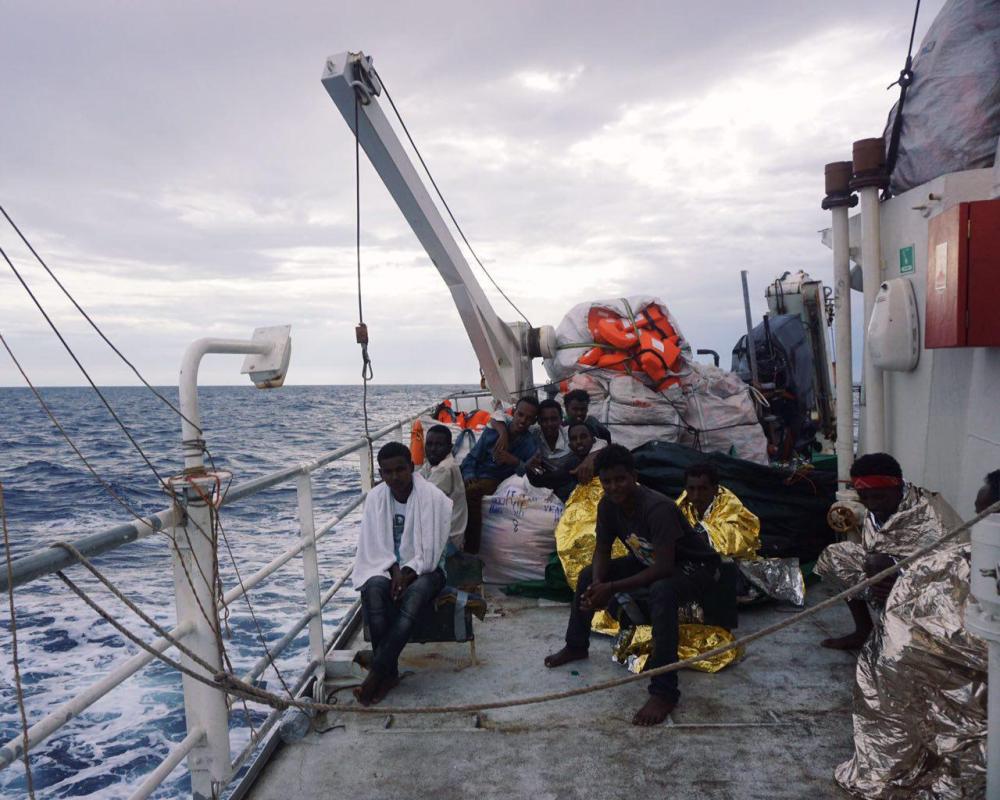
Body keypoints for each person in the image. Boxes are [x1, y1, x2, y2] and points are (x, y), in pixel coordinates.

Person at [832, 469, 994, 797]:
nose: (975, 521)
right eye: (977, 512)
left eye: (985, 514)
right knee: (891, 654)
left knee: (905, 660)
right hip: (934, 625)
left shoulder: (930, 514)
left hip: (973, 651)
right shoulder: (971, 549)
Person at [543, 445, 721, 726]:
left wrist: (611, 588)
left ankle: (664, 691)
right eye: (607, 481)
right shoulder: (607, 505)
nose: (614, 487)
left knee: (662, 591)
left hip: (693, 568)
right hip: (648, 560)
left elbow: (664, 568)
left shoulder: (657, 508)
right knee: (589, 574)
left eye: (620, 479)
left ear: (634, 476)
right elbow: (602, 549)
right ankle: (576, 644)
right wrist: (599, 585)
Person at [814, 452, 957, 650]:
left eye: (879, 497)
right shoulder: (877, 509)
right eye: (864, 497)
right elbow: (874, 551)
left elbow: (953, 572)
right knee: (837, 555)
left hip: (936, 595)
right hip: (888, 581)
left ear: (897, 486)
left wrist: (903, 581)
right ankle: (863, 631)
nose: (872, 504)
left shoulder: (929, 513)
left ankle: (903, 637)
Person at [351, 442, 452, 706]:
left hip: (428, 568)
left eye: (400, 470)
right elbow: (376, 547)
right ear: (380, 473)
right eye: (387, 472)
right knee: (373, 589)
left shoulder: (432, 497)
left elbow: (431, 552)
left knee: (414, 597)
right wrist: (395, 571)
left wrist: (408, 573)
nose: (394, 477)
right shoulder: (376, 498)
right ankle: (390, 673)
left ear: (412, 467)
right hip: (388, 568)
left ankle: (376, 675)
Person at [460, 396, 540, 553]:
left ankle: (471, 549)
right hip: (476, 473)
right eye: (521, 415)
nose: (523, 421)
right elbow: (471, 457)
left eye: (529, 418)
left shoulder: (529, 443)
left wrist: (514, 461)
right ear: (514, 412)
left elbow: (531, 474)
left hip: (495, 479)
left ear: (533, 421)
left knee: (472, 492)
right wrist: (468, 474)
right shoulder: (492, 432)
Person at [675, 463, 760, 560]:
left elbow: (731, 541)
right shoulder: (681, 506)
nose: (696, 495)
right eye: (691, 489)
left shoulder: (731, 508)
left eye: (703, 489)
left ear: (715, 490)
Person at [418, 424, 468, 553]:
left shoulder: (445, 468)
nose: (433, 449)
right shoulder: (433, 463)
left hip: (448, 540)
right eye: (429, 444)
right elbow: (417, 479)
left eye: (439, 445)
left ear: (449, 448)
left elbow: (421, 499)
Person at [527, 421, 597, 502]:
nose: (579, 441)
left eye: (583, 437)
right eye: (574, 439)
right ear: (570, 446)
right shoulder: (571, 464)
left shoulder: (604, 458)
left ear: (594, 440)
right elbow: (547, 480)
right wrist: (531, 468)